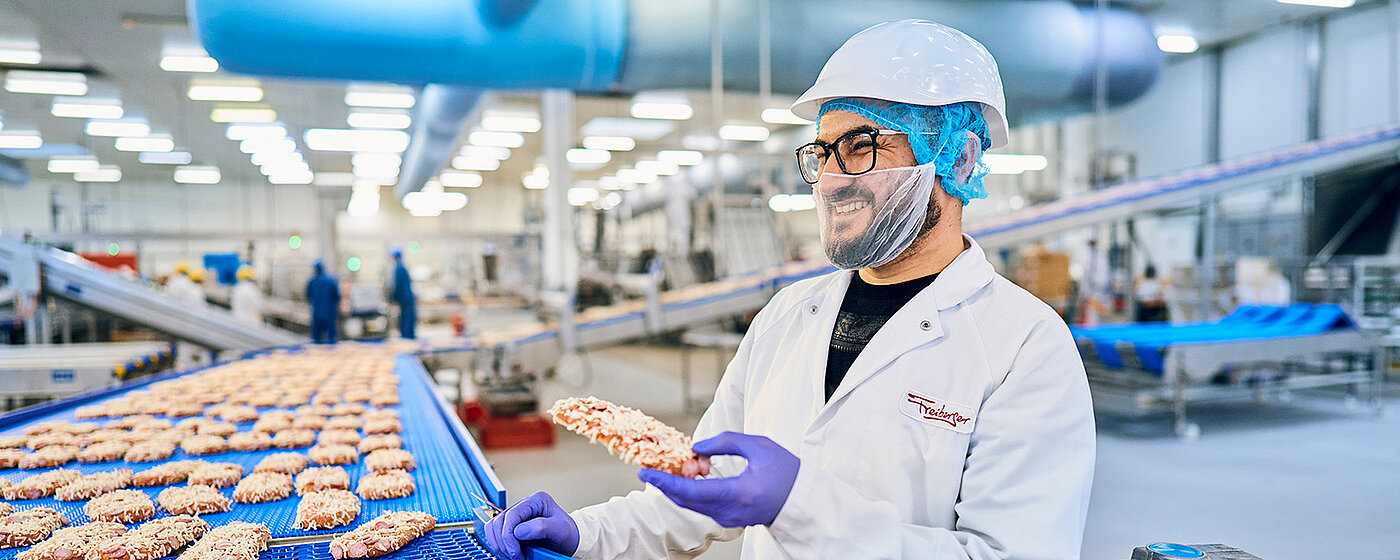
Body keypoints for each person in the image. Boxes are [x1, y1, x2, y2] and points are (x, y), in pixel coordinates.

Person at [485, 20, 1095, 560]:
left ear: (957, 160)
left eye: (861, 146)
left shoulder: (1024, 346)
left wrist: (796, 504)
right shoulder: (787, 317)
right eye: (822, 152)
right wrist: (588, 534)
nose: (829, 180)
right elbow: (702, 484)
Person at [306, 260, 341, 344]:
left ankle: (316, 350)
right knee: (331, 338)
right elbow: (337, 296)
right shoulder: (331, 280)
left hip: (317, 314)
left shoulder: (312, 281)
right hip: (329, 313)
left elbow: (308, 296)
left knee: (316, 339)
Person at [390, 249, 416, 339]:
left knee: (406, 320)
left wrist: (393, 298)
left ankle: (407, 339)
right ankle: (409, 338)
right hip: (407, 298)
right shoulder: (402, 267)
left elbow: (397, 285)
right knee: (408, 319)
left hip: (405, 299)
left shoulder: (399, 268)